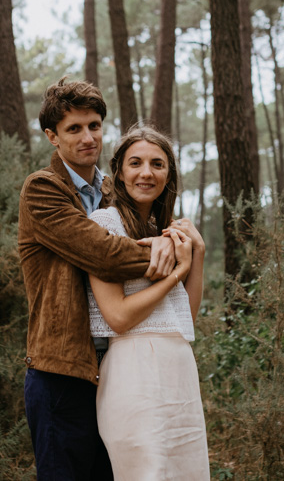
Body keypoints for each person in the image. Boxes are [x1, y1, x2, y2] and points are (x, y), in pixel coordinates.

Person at [18, 78, 184, 480]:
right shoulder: (43, 190)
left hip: (118, 369)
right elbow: (105, 255)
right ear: (52, 137)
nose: (88, 137)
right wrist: (164, 250)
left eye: (94, 125)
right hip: (62, 372)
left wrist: (177, 235)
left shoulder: (114, 192)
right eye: (74, 129)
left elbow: (156, 224)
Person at [87, 126, 210, 480]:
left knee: (187, 472)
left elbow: (185, 316)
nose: (146, 173)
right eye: (136, 163)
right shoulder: (105, 223)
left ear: (168, 173)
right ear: (120, 172)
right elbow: (118, 318)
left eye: (157, 164)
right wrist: (176, 273)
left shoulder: (166, 229)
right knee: (148, 471)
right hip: (132, 369)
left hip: (179, 369)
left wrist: (196, 253)